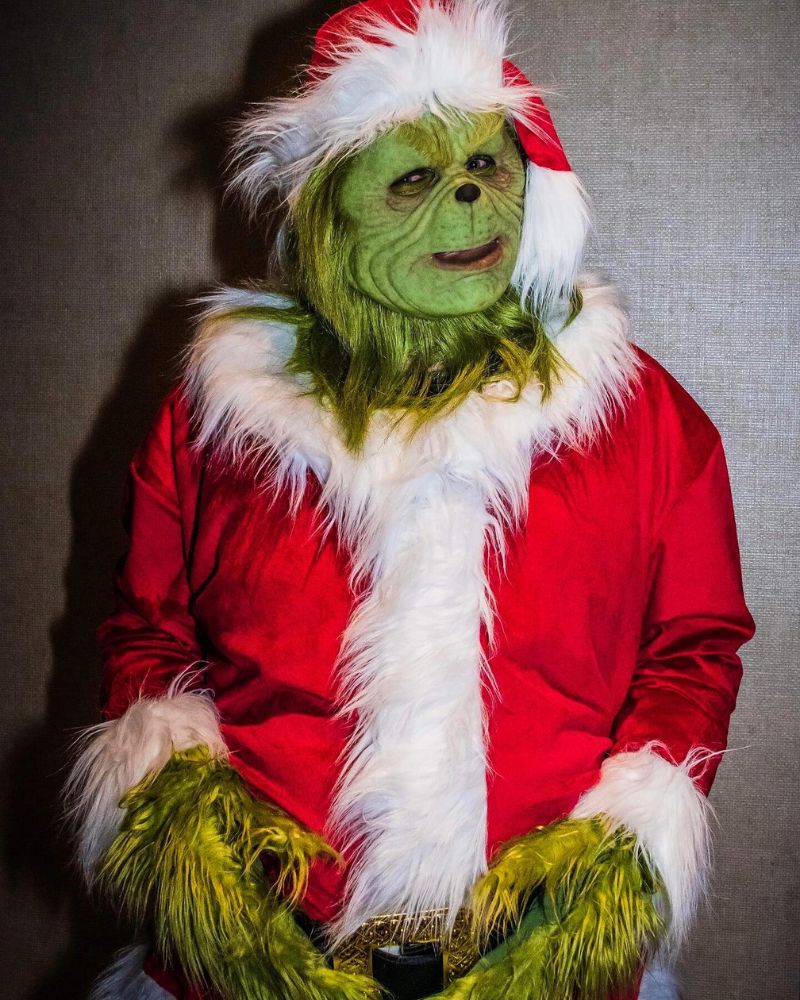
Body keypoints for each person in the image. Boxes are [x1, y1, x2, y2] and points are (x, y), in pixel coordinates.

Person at [66, 2, 755, 999]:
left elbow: (694, 642)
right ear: (332, 205)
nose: (469, 200)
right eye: (416, 178)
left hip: (541, 963)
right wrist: (190, 841)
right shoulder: (217, 414)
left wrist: (622, 847)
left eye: (487, 166)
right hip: (256, 962)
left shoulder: (641, 416)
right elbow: (145, 627)